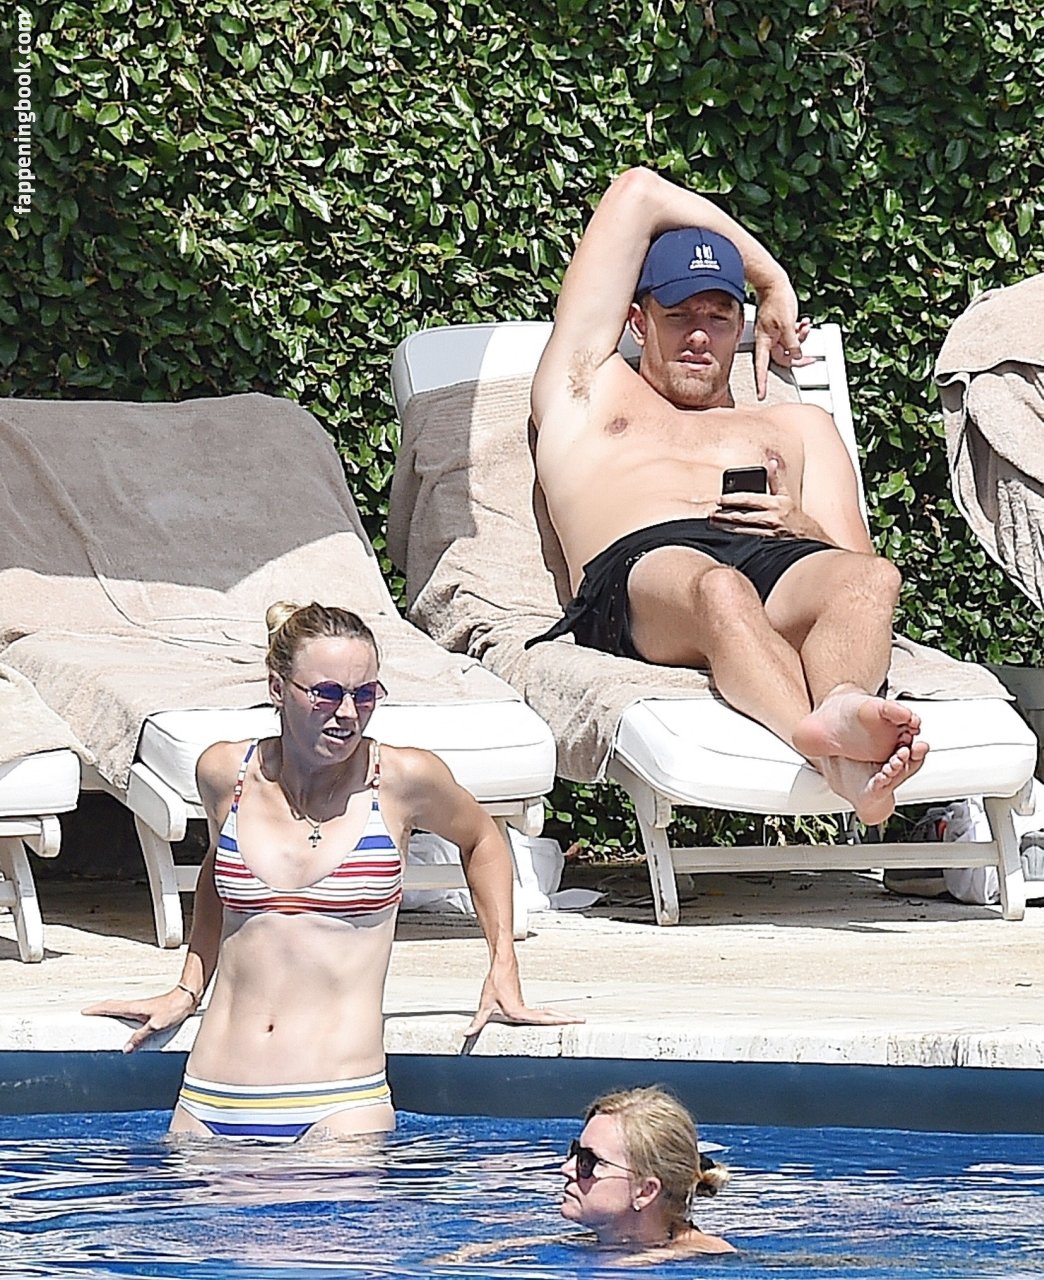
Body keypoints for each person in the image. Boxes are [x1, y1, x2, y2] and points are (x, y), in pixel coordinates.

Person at [84, 602, 578, 1142]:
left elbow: (483, 839)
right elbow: (217, 875)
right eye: (326, 693)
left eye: (364, 695)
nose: (347, 713)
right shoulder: (225, 772)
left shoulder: (402, 779)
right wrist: (188, 986)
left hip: (339, 1104)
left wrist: (503, 963)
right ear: (278, 688)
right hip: (210, 1098)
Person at [528, 166, 928, 825]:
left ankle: (841, 703)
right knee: (719, 589)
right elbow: (637, 192)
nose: (698, 335)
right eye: (679, 314)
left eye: (718, 317)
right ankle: (833, 760)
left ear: (738, 326)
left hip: (773, 556)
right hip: (643, 572)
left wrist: (803, 526)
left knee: (872, 578)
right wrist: (772, 276)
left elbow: (853, 563)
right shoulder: (586, 390)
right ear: (637, 321)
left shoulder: (798, 426)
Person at [441, 1085, 734, 1264]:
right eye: (574, 1153)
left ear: (645, 1191)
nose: (566, 1168)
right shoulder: (598, 1246)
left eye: (588, 1161)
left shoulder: (713, 1262)